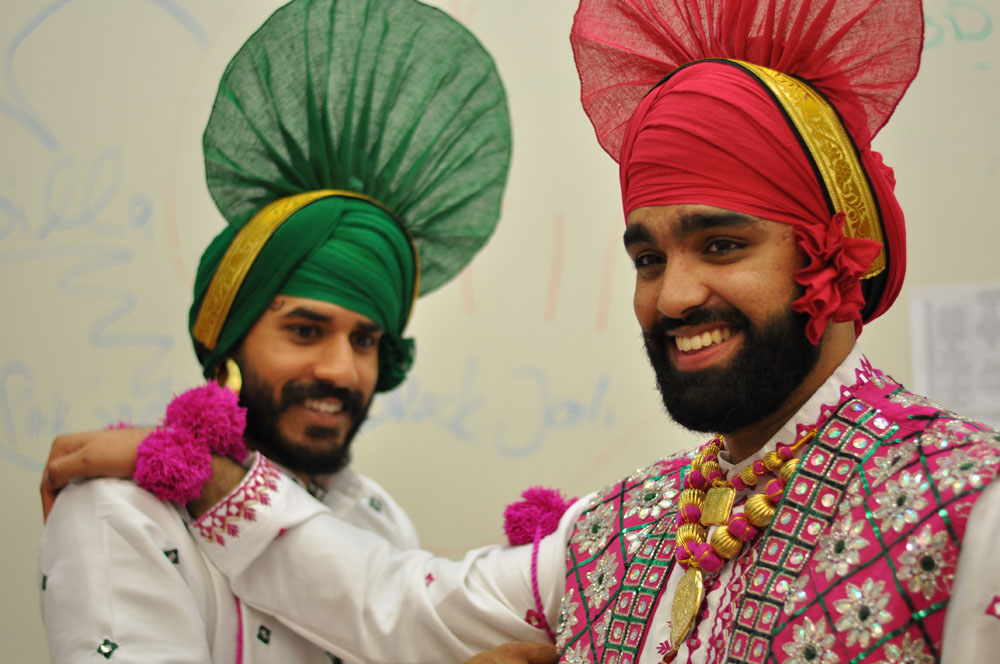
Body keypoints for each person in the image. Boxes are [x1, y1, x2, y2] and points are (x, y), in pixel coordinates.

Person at [43, 0, 1000, 662]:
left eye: (722, 242)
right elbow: (399, 606)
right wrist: (208, 478)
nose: (672, 297)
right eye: (648, 256)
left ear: (838, 249)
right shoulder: (628, 528)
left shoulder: (964, 506)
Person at [37, 0, 516, 662]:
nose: (342, 370)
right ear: (227, 341)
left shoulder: (373, 516)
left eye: (366, 340)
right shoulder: (123, 511)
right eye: (304, 329)